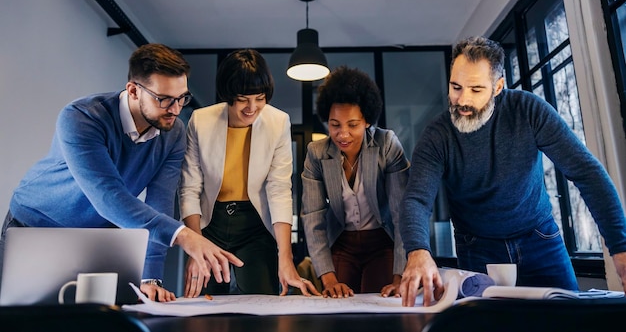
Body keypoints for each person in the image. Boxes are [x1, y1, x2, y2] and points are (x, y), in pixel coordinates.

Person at [0, 43, 243, 302]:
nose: (175, 109)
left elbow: (159, 204)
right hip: (35, 226)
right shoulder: (82, 117)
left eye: (182, 98)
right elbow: (108, 197)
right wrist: (184, 236)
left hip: (96, 238)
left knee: (94, 319)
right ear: (133, 90)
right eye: (164, 99)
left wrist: (150, 278)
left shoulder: (173, 134)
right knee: (18, 319)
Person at [398, 36, 626, 307]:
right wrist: (418, 250)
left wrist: (620, 246)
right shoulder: (437, 136)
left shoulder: (529, 111)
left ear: (498, 87)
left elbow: (586, 172)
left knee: (569, 319)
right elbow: (417, 199)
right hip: (477, 246)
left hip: (539, 237)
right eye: (456, 87)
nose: (462, 101)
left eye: (476, 89)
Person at [178, 49, 319, 297]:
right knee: (205, 305)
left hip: (255, 225)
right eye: (243, 98)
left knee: (262, 302)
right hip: (210, 224)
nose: (252, 108)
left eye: (260, 98)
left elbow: (279, 190)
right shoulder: (200, 121)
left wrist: (285, 258)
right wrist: (195, 249)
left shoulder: (278, 122)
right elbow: (190, 188)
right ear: (228, 94)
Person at [301, 66, 410, 298]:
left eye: (353, 125)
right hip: (342, 244)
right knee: (338, 308)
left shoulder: (386, 144)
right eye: (334, 125)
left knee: (379, 307)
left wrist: (400, 276)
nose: (343, 134)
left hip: (382, 243)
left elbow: (403, 213)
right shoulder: (316, 153)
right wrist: (327, 277)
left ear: (367, 121)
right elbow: (313, 217)